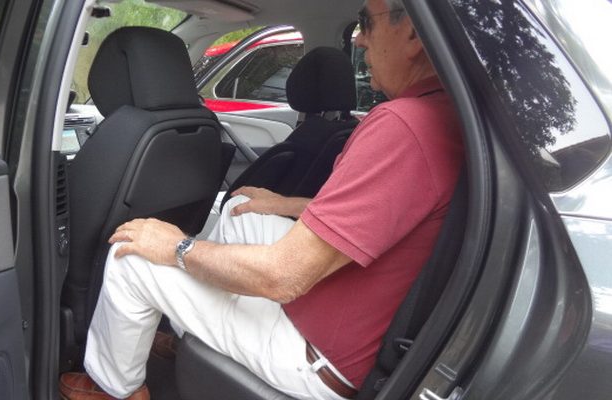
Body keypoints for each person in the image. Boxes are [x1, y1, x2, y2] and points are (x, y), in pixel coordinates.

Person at [59, 0, 464, 399]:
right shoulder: (442, 116)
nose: (358, 39)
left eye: (366, 22)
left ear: (412, 32)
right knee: (241, 210)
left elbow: (282, 277)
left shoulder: (402, 126)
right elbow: (381, 215)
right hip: (344, 318)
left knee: (130, 256)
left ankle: (115, 388)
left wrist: (176, 247)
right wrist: (285, 204)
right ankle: (190, 336)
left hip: (313, 354)